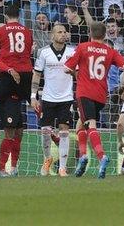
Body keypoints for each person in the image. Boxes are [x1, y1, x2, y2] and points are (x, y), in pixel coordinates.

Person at [64, 21, 124, 179]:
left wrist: (76, 73)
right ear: (105, 34)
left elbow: (67, 68)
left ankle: (102, 157)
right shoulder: (110, 51)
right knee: (80, 124)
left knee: (90, 124)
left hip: (85, 93)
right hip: (101, 96)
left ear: (90, 33)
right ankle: (83, 156)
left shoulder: (82, 47)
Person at [0, 3, 34, 150]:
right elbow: (28, 52)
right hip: (27, 73)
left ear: (6, 16)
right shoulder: (27, 31)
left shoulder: (1, 30)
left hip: (9, 75)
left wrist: (8, 67)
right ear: (19, 15)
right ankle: (50, 129)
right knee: (33, 101)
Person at [31, 24, 76, 177]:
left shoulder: (72, 52)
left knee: (64, 130)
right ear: (52, 35)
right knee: (45, 131)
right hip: (48, 98)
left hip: (66, 98)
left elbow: (79, 73)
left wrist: (74, 73)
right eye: (59, 32)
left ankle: (62, 168)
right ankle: (47, 158)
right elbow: (37, 75)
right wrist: (33, 96)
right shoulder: (44, 52)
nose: (63, 34)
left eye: (65, 32)